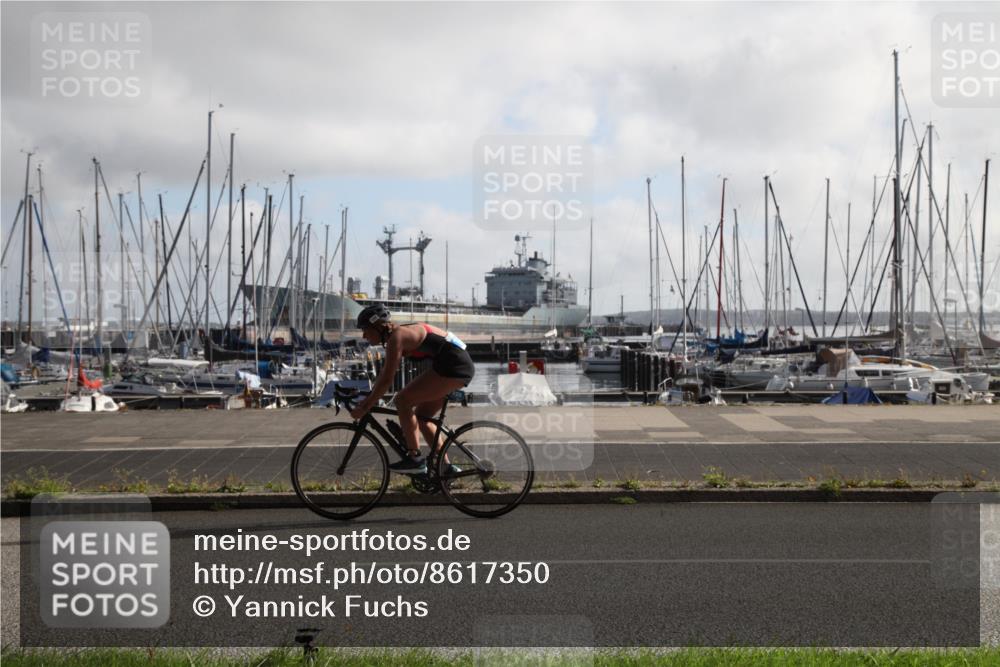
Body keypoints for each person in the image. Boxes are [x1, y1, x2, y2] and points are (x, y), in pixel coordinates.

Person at [349, 304, 475, 474]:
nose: (363, 335)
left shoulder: (397, 337)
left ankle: (415, 458)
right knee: (423, 418)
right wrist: (370, 398)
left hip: (454, 366)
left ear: (379, 326)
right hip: (450, 364)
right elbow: (384, 378)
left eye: (365, 329)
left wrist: (365, 406)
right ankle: (446, 468)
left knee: (402, 400)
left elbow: (386, 379)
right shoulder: (399, 334)